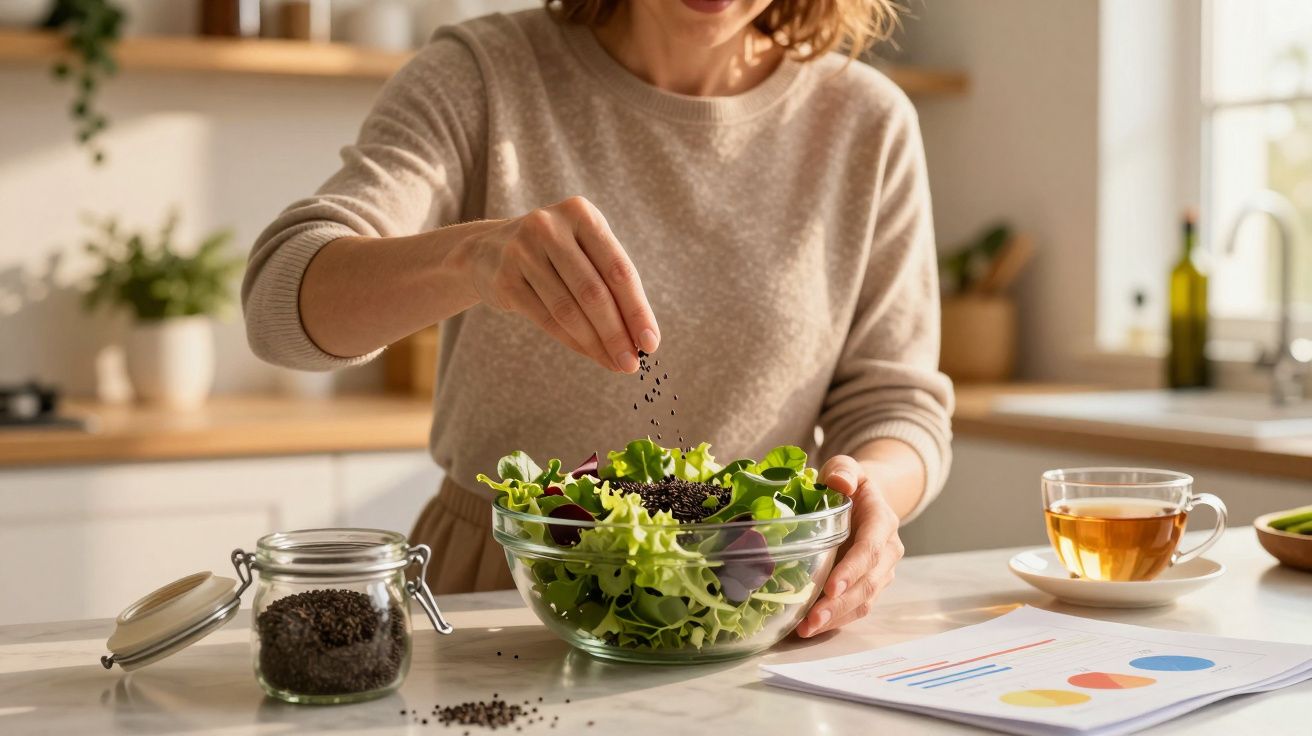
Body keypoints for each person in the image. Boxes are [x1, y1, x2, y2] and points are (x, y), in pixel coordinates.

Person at [242, 0, 953, 639]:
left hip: (745, 599)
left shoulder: (866, 121)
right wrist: (471, 256)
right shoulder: (484, 75)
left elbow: (896, 401)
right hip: (499, 594)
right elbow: (281, 301)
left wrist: (869, 496)